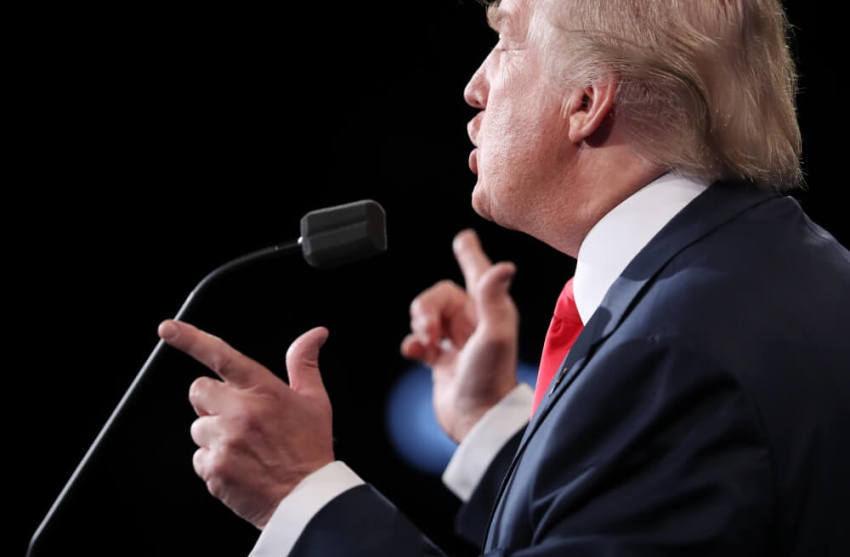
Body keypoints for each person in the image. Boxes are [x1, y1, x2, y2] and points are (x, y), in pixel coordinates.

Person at [158, 0, 850, 554]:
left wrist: (302, 495)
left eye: (507, 39)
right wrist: (494, 424)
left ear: (586, 100)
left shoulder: (671, 349)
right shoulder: (782, 269)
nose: (475, 84)